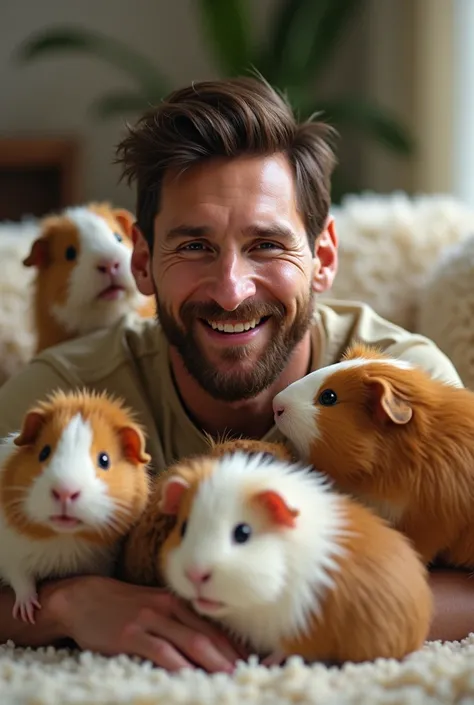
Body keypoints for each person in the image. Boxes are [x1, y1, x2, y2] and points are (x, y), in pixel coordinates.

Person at [0, 75, 471, 669]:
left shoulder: (407, 388)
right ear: (142, 264)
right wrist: (66, 604)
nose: (230, 292)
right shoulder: (61, 400)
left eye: (267, 245)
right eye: (194, 246)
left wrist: (297, 615)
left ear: (322, 258)